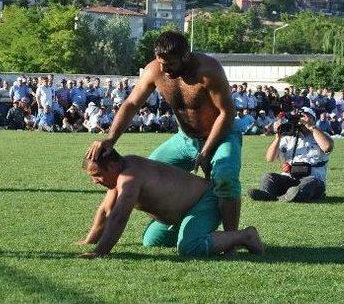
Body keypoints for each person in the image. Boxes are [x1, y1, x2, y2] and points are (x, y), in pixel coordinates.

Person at [85, 31, 242, 240]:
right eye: (161, 63)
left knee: (225, 177)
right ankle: (179, 221)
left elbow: (227, 113)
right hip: (184, 138)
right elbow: (131, 104)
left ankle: (232, 238)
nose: (164, 69)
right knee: (138, 175)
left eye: (170, 64)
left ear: (185, 56)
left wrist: (207, 151)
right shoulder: (154, 70)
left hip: (221, 136)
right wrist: (110, 139)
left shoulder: (208, 70)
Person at [78, 149, 264, 258]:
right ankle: (200, 234)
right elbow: (106, 211)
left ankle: (245, 236)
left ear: (111, 166)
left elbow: (119, 217)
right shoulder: (119, 175)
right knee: (152, 241)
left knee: (189, 248)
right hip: (179, 213)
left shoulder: (130, 176)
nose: (95, 181)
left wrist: (100, 252)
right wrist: (90, 241)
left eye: (97, 175)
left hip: (205, 200)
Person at [248, 107, 333, 203]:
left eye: (305, 116)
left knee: (310, 182)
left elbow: (327, 147)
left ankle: (288, 195)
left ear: (313, 119)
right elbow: (270, 158)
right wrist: (278, 137)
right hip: (289, 178)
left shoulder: (322, 135)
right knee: (268, 176)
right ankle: (267, 194)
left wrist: (311, 127)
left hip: (313, 179)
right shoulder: (288, 138)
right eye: (299, 117)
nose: (301, 120)